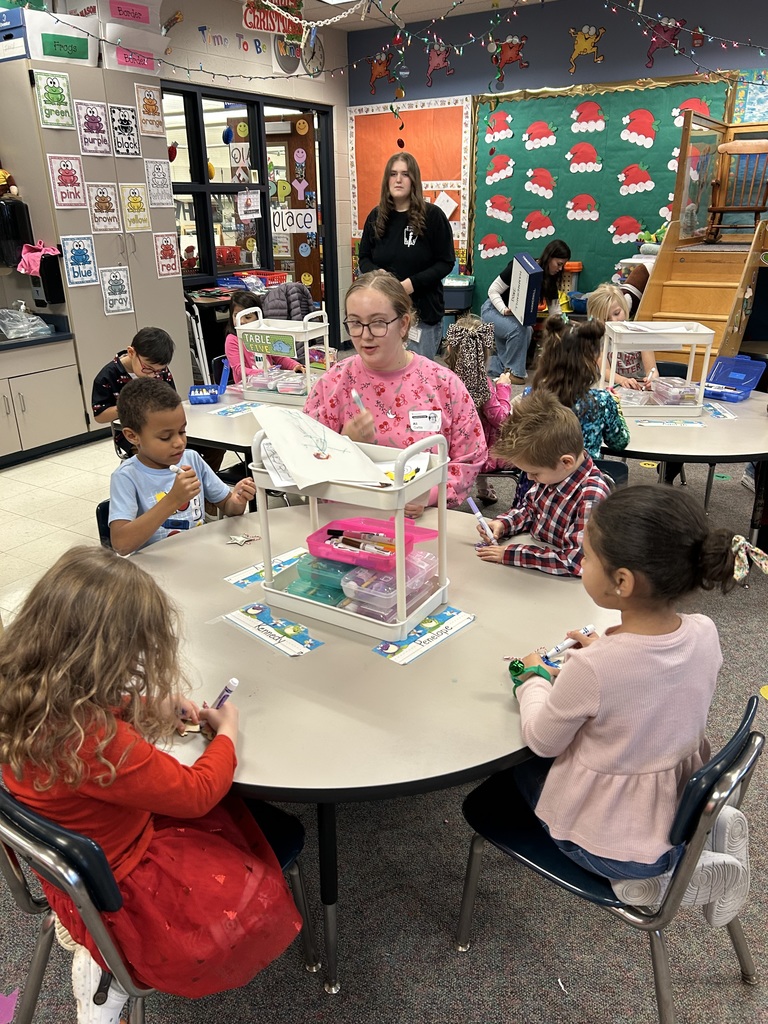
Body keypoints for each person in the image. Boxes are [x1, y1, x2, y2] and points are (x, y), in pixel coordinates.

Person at [0, 546, 302, 1022]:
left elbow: (86, 717)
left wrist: (140, 709)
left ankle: (98, 958)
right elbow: (199, 793)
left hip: (66, 872)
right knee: (246, 839)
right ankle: (110, 970)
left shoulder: (21, 690)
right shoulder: (97, 740)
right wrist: (226, 734)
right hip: (122, 888)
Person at [507, 485, 768, 880]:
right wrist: (605, 653)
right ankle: (698, 842)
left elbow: (543, 742)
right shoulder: (704, 630)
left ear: (622, 582)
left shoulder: (594, 668)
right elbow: (651, 681)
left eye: (589, 557)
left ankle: (646, 884)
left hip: (609, 843)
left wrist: (533, 681)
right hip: (674, 807)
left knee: (512, 773)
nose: (582, 562)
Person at [304, 270, 487, 518]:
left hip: (423, 522)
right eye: (355, 323)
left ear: (403, 324)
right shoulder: (333, 384)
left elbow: (471, 457)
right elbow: (304, 460)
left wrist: (429, 494)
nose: (365, 335)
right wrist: (343, 444)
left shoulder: (443, 384)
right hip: (348, 520)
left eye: (378, 322)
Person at [109, 378, 255, 554]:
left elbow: (228, 507)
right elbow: (121, 544)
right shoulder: (127, 477)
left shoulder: (191, 459)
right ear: (132, 436)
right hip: (155, 570)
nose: (179, 442)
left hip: (198, 556)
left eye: (182, 431)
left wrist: (237, 500)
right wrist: (173, 499)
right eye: (165, 437)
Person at [475, 390, 609, 575]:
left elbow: (576, 562)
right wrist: (504, 524)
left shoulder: (592, 497)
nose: (530, 478)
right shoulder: (553, 474)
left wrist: (513, 554)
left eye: (534, 472)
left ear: (566, 462)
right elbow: (530, 511)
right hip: (541, 569)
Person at [357, 152, 455, 361]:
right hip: (382, 313)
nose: (398, 179)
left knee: (417, 380)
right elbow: (363, 257)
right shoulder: (376, 216)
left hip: (422, 314)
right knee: (385, 373)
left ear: (414, 180)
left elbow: (446, 262)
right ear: (387, 180)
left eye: (405, 174)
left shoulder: (433, 216)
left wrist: (411, 284)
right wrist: (378, 274)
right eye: (393, 174)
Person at [528, 315, 630, 461]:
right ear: (589, 362)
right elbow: (620, 442)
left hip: (538, 479)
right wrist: (616, 405)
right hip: (585, 480)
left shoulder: (531, 397)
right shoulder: (601, 401)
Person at [444, 313, 511, 506]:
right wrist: (503, 388)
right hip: (483, 452)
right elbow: (501, 418)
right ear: (485, 352)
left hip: (450, 451)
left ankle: (477, 488)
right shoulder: (484, 385)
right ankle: (483, 486)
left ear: (450, 347)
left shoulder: (445, 380)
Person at [482, 238, 571, 383]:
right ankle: (515, 373)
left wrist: (567, 326)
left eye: (563, 265)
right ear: (549, 257)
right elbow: (493, 291)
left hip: (511, 318)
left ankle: (484, 364)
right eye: (559, 264)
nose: (560, 269)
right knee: (521, 330)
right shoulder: (519, 267)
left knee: (509, 353)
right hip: (492, 311)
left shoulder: (549, 280)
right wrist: (504, 310)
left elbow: (556, 312)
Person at [224, 288, 304, 384]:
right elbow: (239, 370)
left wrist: (295, 366)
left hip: (269, 382)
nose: (241, 321)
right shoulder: (232, 340)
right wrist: (265, 373)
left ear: (259, 317)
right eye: (236, 316)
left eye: (248, 317)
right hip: (248, 387)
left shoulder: (263, 333)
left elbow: (279, 357)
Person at [587, 282, 658, 389]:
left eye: (617, 313)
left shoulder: (641, 334)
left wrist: (651, 380)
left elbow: (652, 370)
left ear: (625, 308)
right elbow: (605, 371)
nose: (614, 321)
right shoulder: (598, 339)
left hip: (640, 389)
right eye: (606, 319)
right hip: (613, 388)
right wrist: (622, 380)